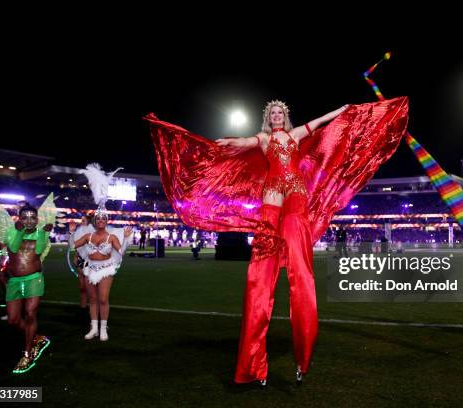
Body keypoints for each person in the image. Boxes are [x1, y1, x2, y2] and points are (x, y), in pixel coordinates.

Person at [146, 96, 409, 386]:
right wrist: (220, 144)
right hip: (272, 194)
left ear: (285, 116)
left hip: (296, 194)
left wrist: (343, 110)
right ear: (267, 118)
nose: (276, 117)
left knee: (302, 277)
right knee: (260, 277)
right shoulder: (262, 139)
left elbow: (322, 121)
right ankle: (254, 366)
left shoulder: (295, 135)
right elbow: (242, 143)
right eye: (272, 114)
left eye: (279, 113)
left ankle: (303, 359)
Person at [70, 164, 132, 342]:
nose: (101, 221)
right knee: (92, 299)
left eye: (104, 219)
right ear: (95, 221)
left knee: (103, 299)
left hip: (105, 268)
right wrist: (73, 231)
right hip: (90, 268)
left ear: (106, 221)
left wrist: (126, 238)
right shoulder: (87, 235)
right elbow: (75, 246)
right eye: (98, 219)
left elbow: (120, 251)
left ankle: (104, 329)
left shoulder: (112, 236)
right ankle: (93, 328)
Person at [0, 204, 53, 374]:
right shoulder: (11, 232)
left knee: (30, 314)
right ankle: (36, 338)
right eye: (25, 217)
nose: (29, 221)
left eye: (32, 217)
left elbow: (38, 250)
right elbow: (13, 248)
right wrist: (19, 231)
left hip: (33, 279)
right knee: (13, 320)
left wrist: (44, 233)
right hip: (14, 280)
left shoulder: (40, 233)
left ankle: (28, 353)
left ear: (37, 219)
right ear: (19, 218)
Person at [73, 215, 94, 309]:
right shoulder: (79, 232)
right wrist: (76, 257)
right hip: (81, 259)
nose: (81, 222)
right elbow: (78, 247)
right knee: (82, 287)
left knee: (89, 287)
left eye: (83, 220)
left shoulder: (92, 232)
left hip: (89, 261)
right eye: (81, 220)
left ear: (89, 222)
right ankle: (83, 307)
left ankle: (92, 309)